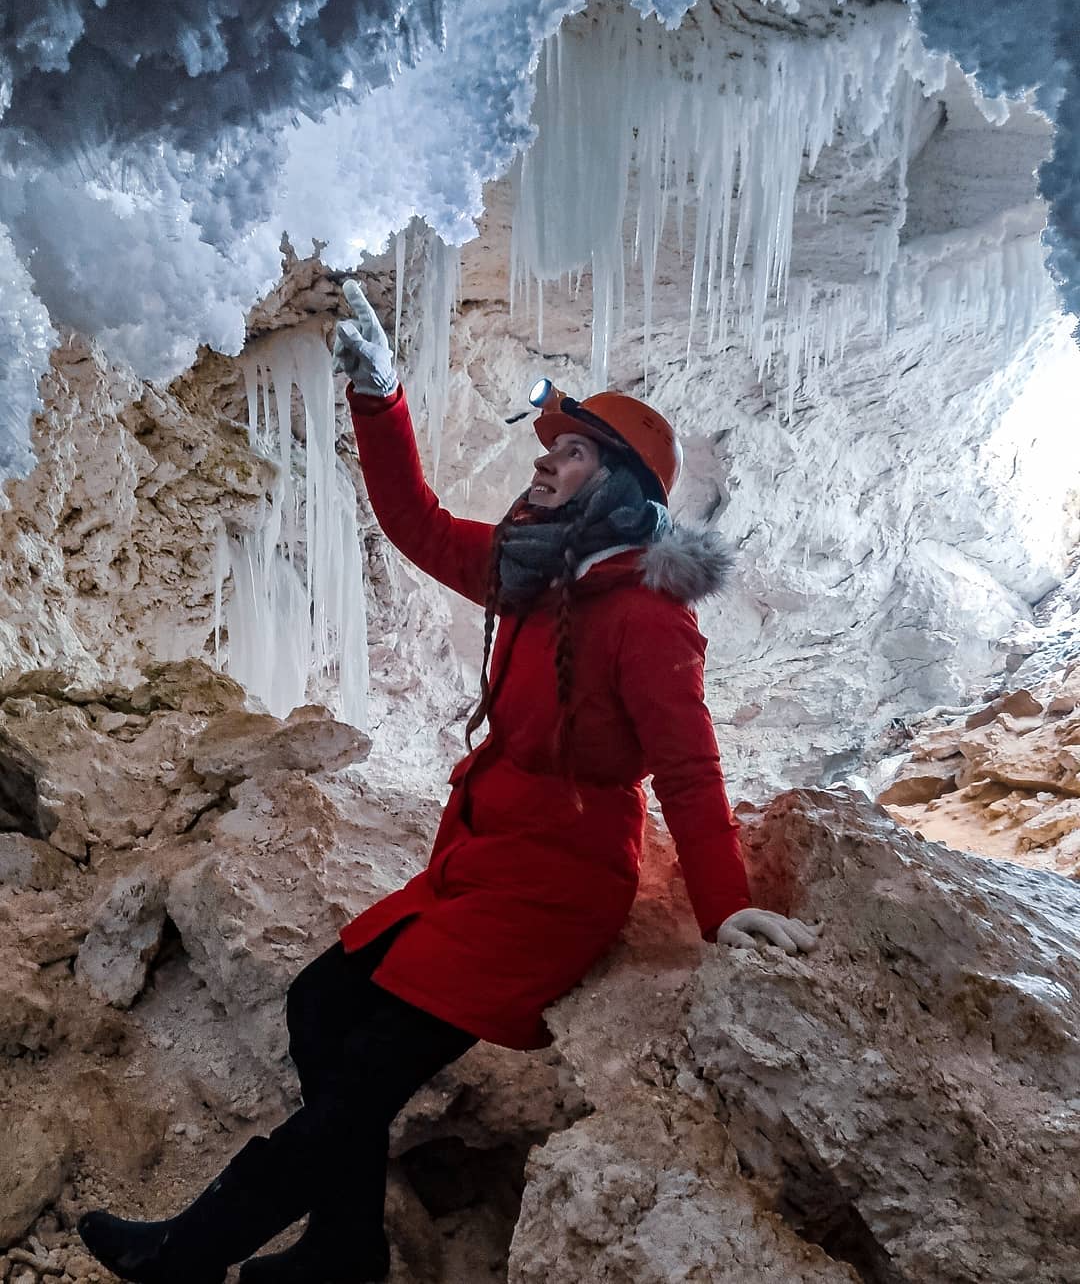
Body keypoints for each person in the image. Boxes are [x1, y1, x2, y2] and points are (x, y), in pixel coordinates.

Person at [77, 282, 819, 1284]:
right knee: (319, 1006)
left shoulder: (648, 620)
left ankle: (193, 1254)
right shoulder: (533, 571)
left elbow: (690, 769)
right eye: (550, 447)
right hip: (481, 855)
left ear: (620, 484)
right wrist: (380, 399)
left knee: (366, 1074)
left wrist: (726, 908)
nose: (544, 462)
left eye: (570, 453)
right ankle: (343, 1250)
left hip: (555, 887)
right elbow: (417, 523)